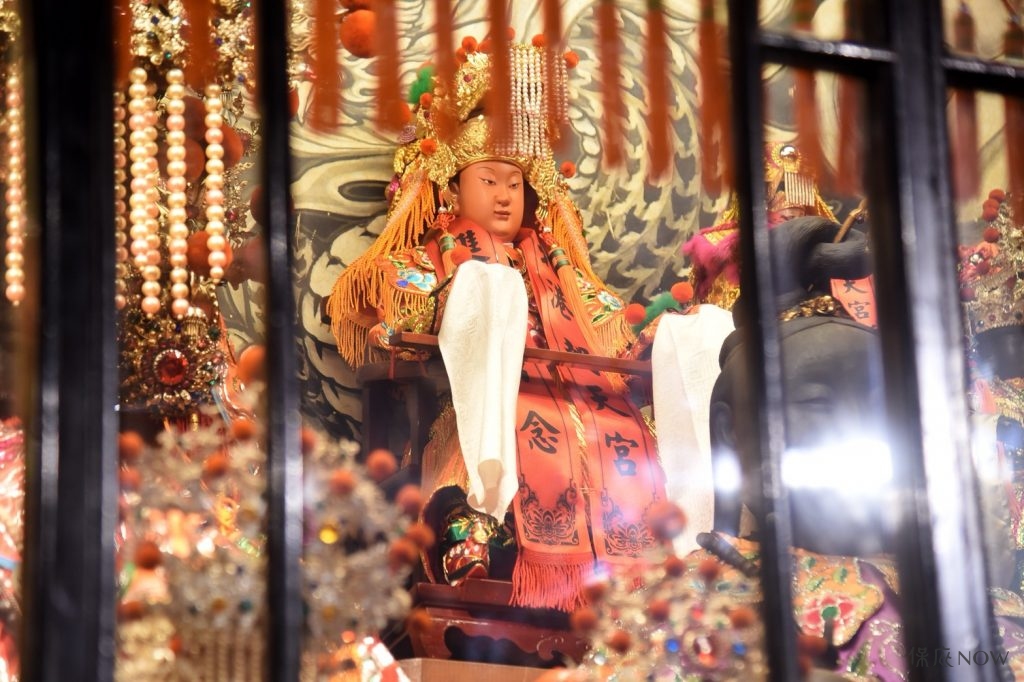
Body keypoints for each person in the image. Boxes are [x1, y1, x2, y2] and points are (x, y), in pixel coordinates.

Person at [327, 38, 668, 612]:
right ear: (456, 187)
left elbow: (604, 315)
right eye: (488, 180)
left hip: (572, 393)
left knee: (624, 435)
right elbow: (402, 303)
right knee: (491, 418)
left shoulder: (548, 256)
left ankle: (638, 562)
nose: (505, 195)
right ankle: (475, 528)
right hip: (489, 398)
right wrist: (469, 294)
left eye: (514, 182)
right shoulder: (443, 251)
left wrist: (654, 337)